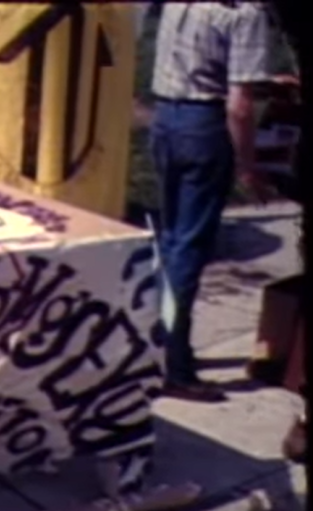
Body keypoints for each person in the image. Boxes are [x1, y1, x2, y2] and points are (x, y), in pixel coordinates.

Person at [149, 2, 274, 402]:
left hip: (166, 118)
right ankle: (175, 366)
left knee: (170, 241)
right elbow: (238, 107)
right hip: (204, 126)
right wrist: (248, 166)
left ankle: (158, 347)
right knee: (189, 246)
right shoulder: (245, 12)